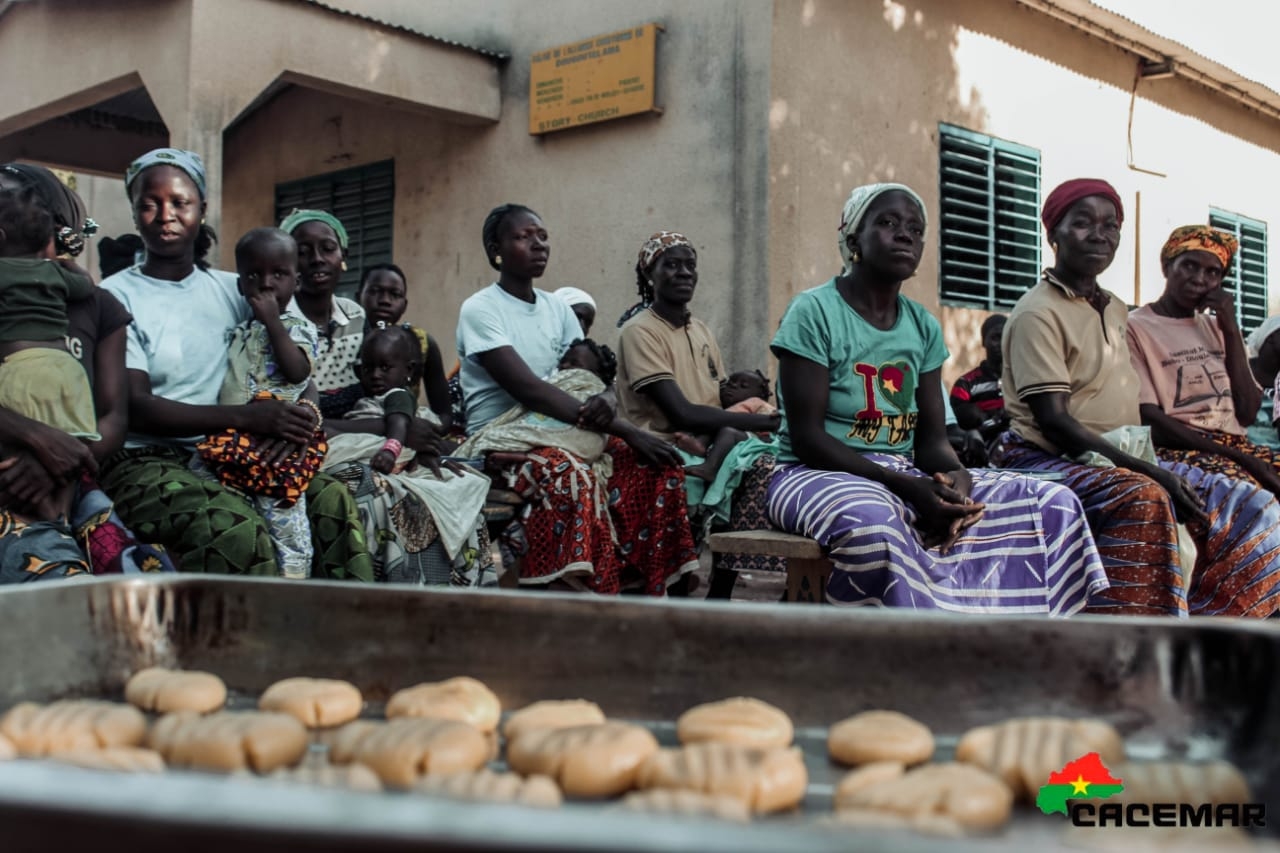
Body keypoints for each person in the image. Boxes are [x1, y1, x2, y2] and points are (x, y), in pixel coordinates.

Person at [765, 182, 1109, 614]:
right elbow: (807, 439)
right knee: (874, 526)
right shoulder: (813, 312)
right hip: (811, 472)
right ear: (854, 239)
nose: (906, 234)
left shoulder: (922, 325)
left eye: (915, 227)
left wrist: (955, 479)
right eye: (888, 223)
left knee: (1052, 503)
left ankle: (1012, 646)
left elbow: (930, 440)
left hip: (903, 471)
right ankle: (883, 656)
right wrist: (908, 487)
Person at [995, 178, 1280, 617]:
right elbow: (1054, 423)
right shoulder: (1039, 312)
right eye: (1082, 222)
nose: (1099, 234)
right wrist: (1153, 470)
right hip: (1054, 452)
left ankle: (1218, 623)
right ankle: (1148, 633)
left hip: (1120, 448)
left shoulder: (1110, 306)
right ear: (1053, 234)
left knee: (1245, 502)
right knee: (1152, 495)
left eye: (1110, 225)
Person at [99, 148, 371, 579]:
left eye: (180, 203)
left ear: (202, 209)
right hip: (145, 458)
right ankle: (245, 644)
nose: (165, 214)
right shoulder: (116, 296)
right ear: (134, 214)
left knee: (332, 503)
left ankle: (343, 641)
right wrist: (250, 417)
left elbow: (300, 366)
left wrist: (302, 416)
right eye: (149, 204)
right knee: (231, 526)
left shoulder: (242, 287)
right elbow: (136, 404)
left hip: (238, 450)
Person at [458, 204, 697, 595]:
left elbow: (588, 372)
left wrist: (605, 397)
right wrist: (622, 426)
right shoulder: (481, 309)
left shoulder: (556, 308)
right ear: (494, 250)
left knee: (659, 466)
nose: (538, 245)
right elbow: (530, 390)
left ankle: (636, 574)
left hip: (570, 424)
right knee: (569, 472)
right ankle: (569, 580)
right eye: (523, 237)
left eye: (542, 236)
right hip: (503, 437)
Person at [0, 163, 172, 578]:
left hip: (71, 473)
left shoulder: (99, 305)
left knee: (136, 586)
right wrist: (38, 439)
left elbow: (113, 418)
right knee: (56, 576)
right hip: (9, 470)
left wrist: (55, 461)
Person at [191, 227, 324, 579]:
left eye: (278, 274)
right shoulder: (240, 328)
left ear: (296, 282)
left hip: (275, 444)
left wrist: (273, 322)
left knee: (282, 511)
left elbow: (298, 372)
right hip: (234, 437)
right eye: (253, 275)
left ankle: (294, 577)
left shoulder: (298, 327)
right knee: (207, 486)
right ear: (240, 284)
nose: (265, 284)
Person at [323, 324, 492, 586]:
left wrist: (391, 450)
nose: (376, 375)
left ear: (409, 371)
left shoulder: (398, 395)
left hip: (390, 453)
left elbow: (399, 425)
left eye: (385, 367)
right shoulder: (367, 398)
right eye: (368, 369)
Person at [616, 231, 780, 492]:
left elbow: (722, 399)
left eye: (690, 265)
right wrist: (768, 422)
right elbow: (682, 414)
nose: (684, 272)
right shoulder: (639, 331)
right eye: (671, 265)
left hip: (711, 439)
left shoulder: (700, 330)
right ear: (649, 276)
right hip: (664, 447)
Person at [1126, 225, 1280, 495]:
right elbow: (1150, 418)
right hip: (1181, 448)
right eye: (1189, 266)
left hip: (1235, 445)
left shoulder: (1218, 327)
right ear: (1166, 267)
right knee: (1248, 494)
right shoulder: (1135, 327)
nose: (1199, 279)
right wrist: (1240, 458)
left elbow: (1246, 413)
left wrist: (1230, 328)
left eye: (1212, 273)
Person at [0, 180, 98, 520]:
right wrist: (68, 265)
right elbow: (86, 285)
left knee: (18, 449)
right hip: (68, 373)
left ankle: (40, 516)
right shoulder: (57, 273)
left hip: (22, 368)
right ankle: (61, 513)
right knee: (69, 443)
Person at [357, 263, 453, 431]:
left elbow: (444, 413)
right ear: (359, 297)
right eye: (375, 291)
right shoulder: (346, 338)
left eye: (395, 294)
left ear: (405, 304)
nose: (385, 301)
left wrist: (429, 430)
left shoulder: (421, 343)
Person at [950, 314, 1009, 457]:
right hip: (980, 450)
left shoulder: (1023, 378)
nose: (1000, 343)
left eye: (1005, 337)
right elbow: (953, 424)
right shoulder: (966, 383)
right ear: (984, 341)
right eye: (995, 337)